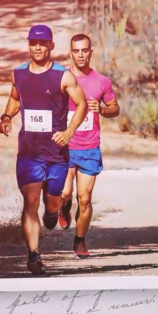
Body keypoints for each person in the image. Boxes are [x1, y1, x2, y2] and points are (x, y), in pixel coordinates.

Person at [0, 24, 88, 276]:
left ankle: (53, 213)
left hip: (56, 155)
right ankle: (34, 255)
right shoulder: (18, 74)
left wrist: (69, 132)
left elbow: (82, 105)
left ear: (50, 46)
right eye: (33, 43)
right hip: (29, 152)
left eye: (42, 43)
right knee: (30, 201)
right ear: (29, 45)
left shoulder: (63, 76)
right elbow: (16, 98)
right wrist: (6, 117)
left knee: (51, 204)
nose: (37, 47)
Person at [58, 33, 120, 259]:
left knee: (84, 199)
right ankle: (64, 206)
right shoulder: (61, 78)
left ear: (91, 52)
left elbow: (115, 108)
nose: (80, 55)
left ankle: (80, 241)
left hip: (89, 148)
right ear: (70, 53)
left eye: (85, 50)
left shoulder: (101, 81)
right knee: (65, 192)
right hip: (65, 146)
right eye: (76, 51)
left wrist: (102, 110)